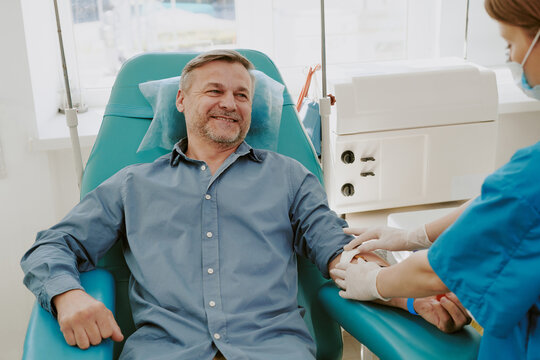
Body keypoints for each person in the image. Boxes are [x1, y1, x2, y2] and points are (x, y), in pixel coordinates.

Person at [21, 50, 469, 360]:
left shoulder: (289, 176)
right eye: (214, 91)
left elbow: (339, 252)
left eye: (242, 95)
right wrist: (68, 293)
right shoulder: (132, 184)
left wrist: (410, 297)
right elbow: (51, 246)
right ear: (181, 100)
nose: (229, 103)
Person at [331, 1, 540, 358]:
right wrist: (413, 235)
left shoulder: (527, 181)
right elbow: (495, 207)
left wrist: (379, 284)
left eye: (509, 44)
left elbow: (435, 273)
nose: (511, 57)